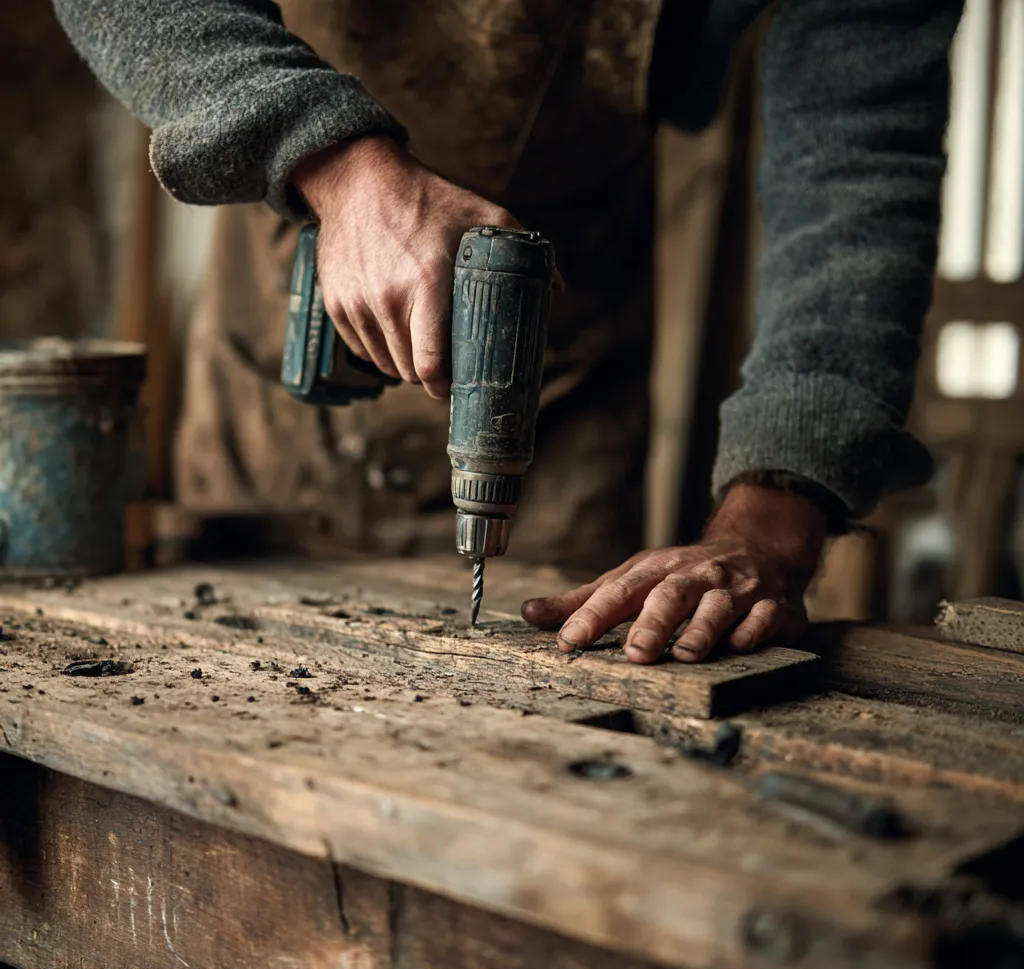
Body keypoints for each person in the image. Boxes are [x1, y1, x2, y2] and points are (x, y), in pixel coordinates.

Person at [54, 0, 962, 664]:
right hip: (300, 259)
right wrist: (334, 163)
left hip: (572, 331)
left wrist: (774, 517)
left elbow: (862, 164)